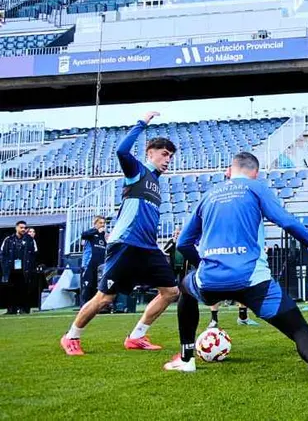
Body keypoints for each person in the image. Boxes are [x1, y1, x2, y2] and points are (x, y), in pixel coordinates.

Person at [165, 152, 308, 387]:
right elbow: (288, 223)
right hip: (253, 282)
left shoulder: (209, 195)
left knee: (185, 289)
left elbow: (183, 244)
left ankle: (187, 358)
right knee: (299, 328)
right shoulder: (255, 187)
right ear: (256, 173)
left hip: (210, 280)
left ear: (229, 171)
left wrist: (206, 265)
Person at [61, 111, 180, 356]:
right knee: (105, 297)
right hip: (125, 244)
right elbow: (122, 152)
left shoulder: (156, 182)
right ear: (150, 153)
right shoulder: (137, 170)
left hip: (147, 247)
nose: (168, 159)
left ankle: (136, 337)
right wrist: (142, 123)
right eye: (164, 154)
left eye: (171, 156)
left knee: (171, 292)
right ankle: (71, 336)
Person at [2, 221, 37, 314]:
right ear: (16, 228)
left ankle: (24, 309)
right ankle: (11, 309)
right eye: (21, 227)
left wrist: (31, 267)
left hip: (25, 269)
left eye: (24, 228)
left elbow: (35, 254)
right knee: (11, 290)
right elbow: (3, 254)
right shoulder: (8, 239)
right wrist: (5, 267)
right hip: (12, 269)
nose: (23, 229)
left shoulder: (30, 240)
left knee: (25, 290)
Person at [78, 216, 108, 306]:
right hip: (89, 264)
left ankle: (95, 307)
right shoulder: (90, 233)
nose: (102, 225)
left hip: (100, 265)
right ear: (95, 223)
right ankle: (84, 307)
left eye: (104, 223)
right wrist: (96, 231)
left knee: (98, 287)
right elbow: (83, 235)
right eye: (100, 223)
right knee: (87, 286)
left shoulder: (104, 235)